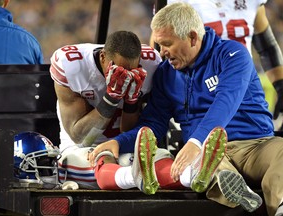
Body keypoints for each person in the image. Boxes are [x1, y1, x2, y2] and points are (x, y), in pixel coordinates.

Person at [89, 3, 283, 216]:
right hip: (209, 154)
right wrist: (119, 141)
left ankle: (278, 205)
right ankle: (233, 189)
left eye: (166, 44)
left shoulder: (233, 54)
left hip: (255, 145)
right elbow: (154, 124)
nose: (161, 52)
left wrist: (195, 141)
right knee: (203, 163)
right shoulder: (165, 75)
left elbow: (225, 101)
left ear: (192, 37)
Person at [49, 30, 163, 189]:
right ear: (102, 57)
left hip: (123, 147)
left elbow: (128, 131)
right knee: (102, 158)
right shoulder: (73, 65)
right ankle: (134, 177)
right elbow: (82, 139)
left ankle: (190, 175)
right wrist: (112, 98)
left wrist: (131, 101)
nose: (125, 75)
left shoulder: (151, 63)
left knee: (160, 157)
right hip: (83, 150)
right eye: (118, 69)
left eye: (132, 70)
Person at [150, 0, 283, 126]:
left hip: (242, 88)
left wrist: (280, 86)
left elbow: (266, 46)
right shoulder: (177, 3)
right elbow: (161, 51)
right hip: (200, 92)